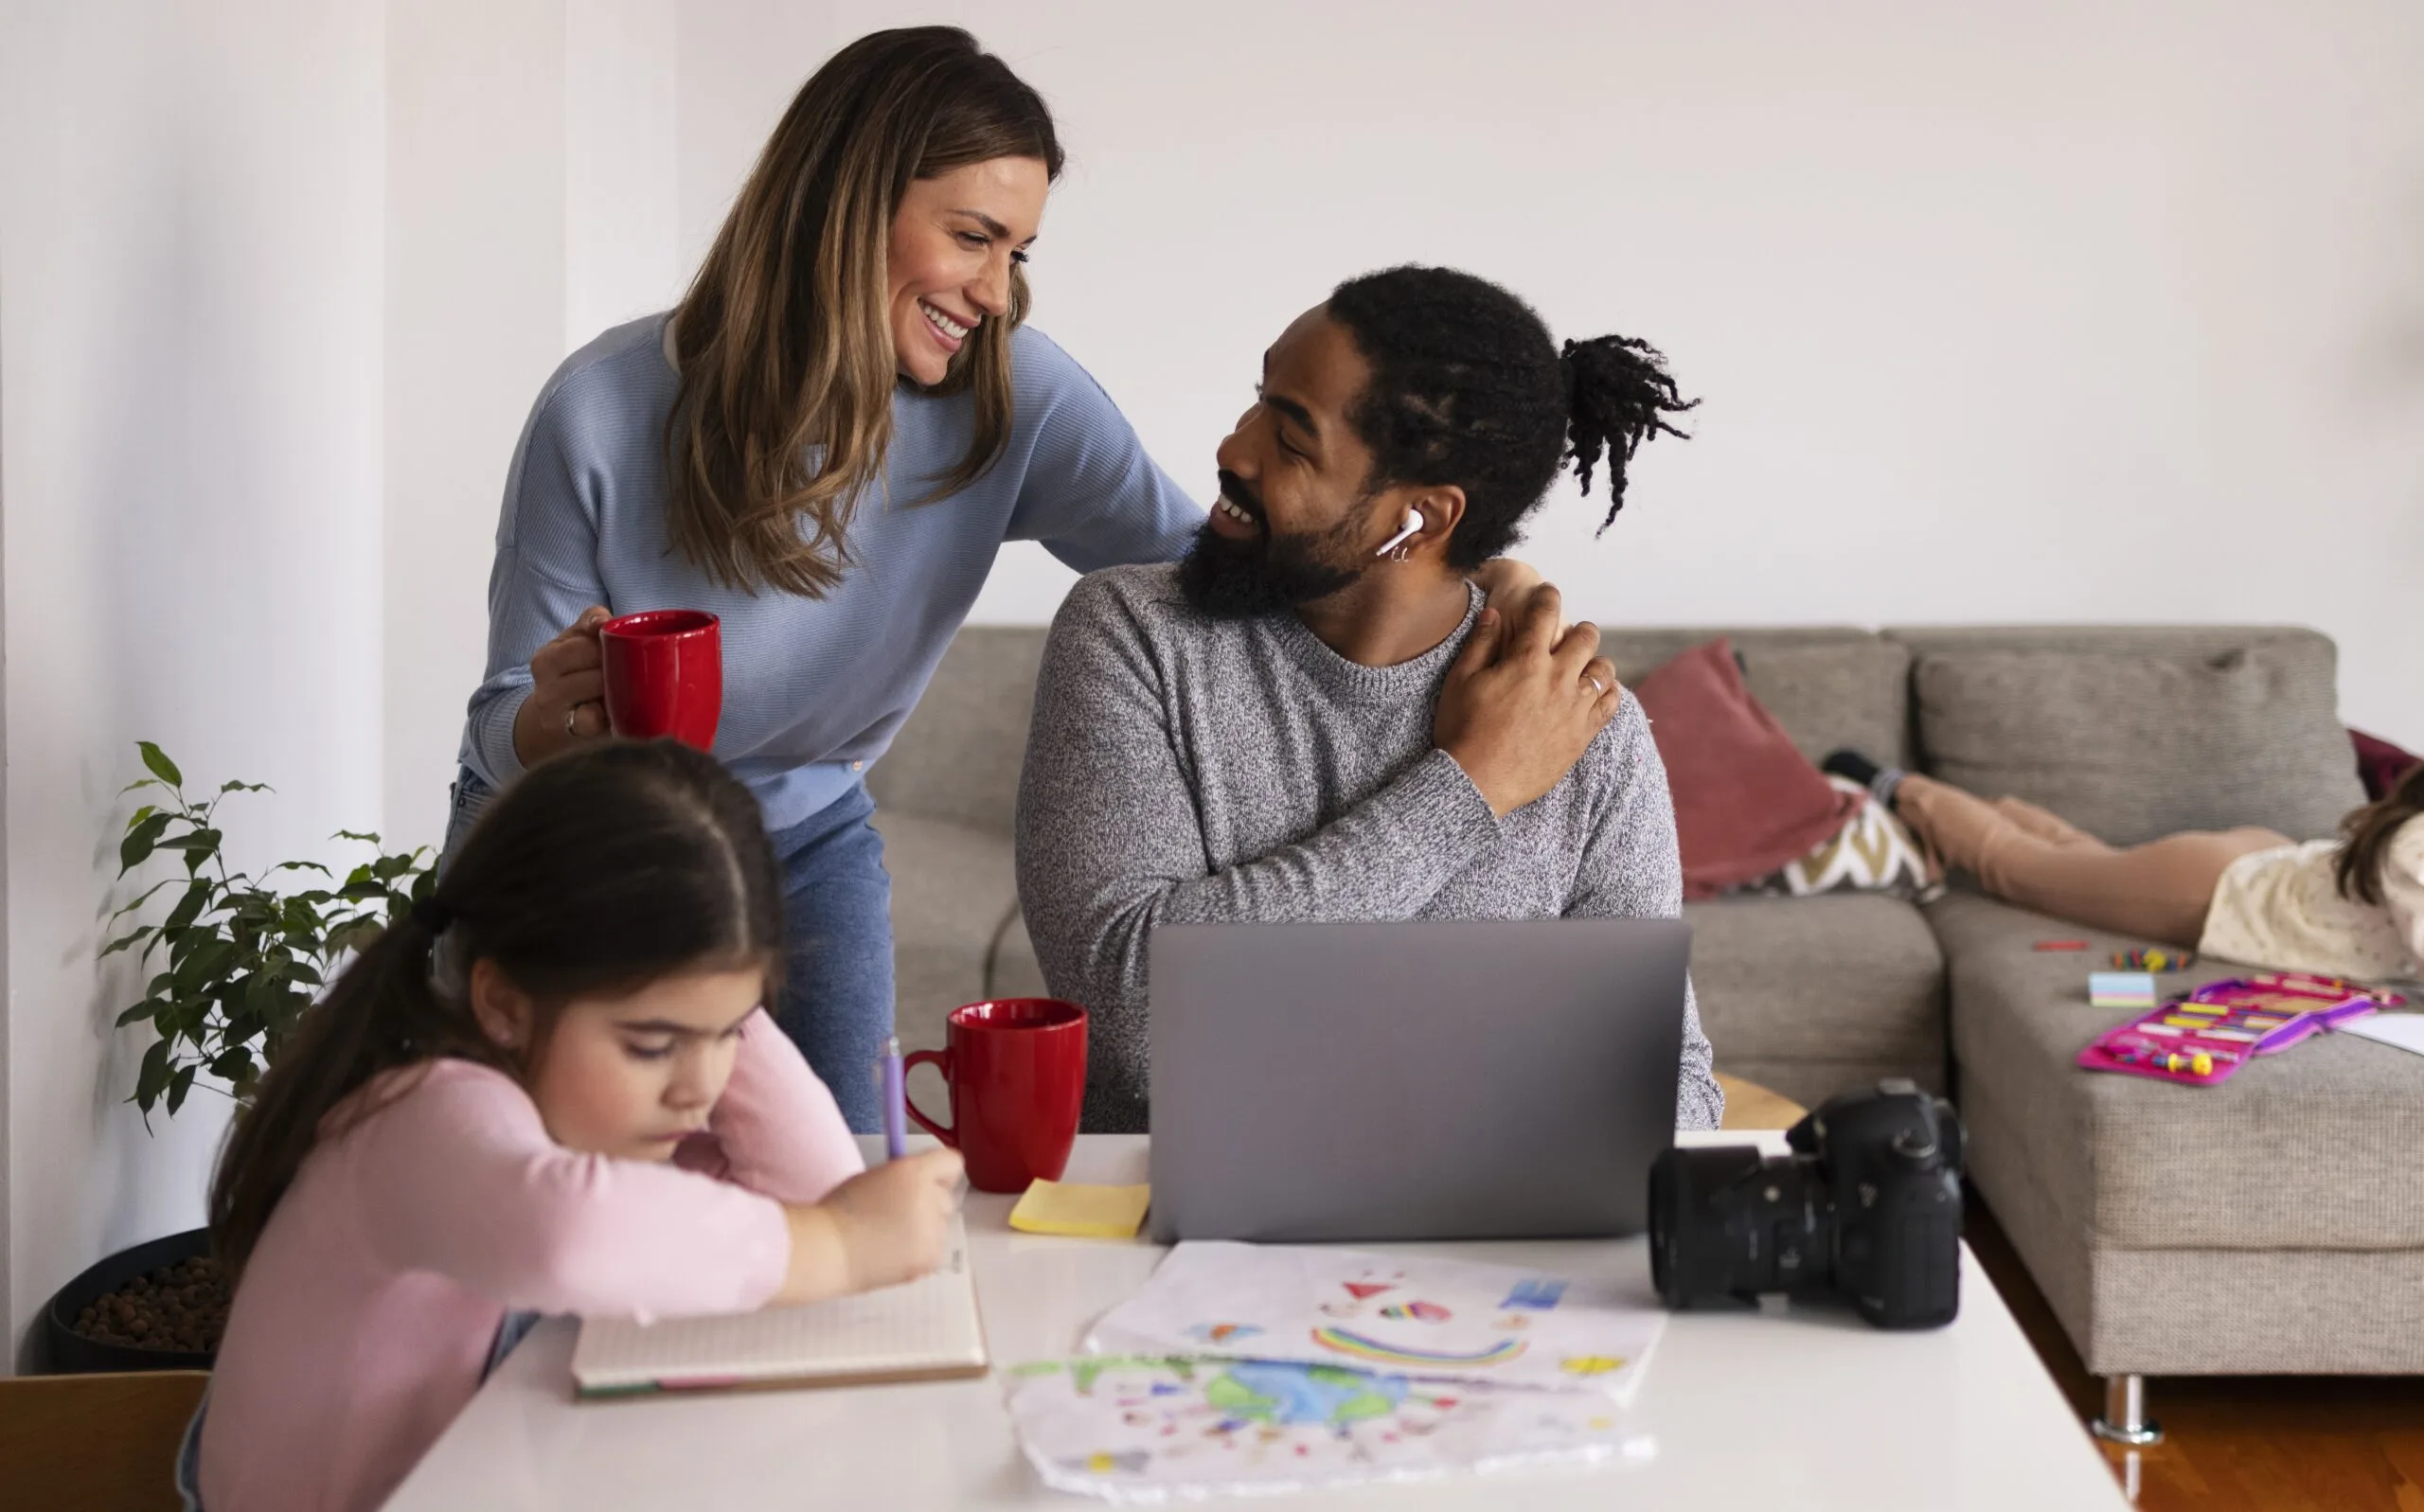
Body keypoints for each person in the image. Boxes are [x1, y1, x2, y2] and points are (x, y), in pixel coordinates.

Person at [450, 27, 1545, 1129]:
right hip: (578, 840)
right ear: (845, 205)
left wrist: (1472, 571)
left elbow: (1221, 557)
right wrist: (548, 725)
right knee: (527, 1208)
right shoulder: (600, 409)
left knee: (842, 1183)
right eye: (972, 237)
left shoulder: (1011, 395)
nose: (993, 291)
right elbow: (499, 728)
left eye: (1016, 252)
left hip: (802, 841)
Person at [1014, 265, 1724, 1133]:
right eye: (1256, 402)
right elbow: (1137, 1024)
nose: (1233, 450)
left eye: (1291, 438)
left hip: (1475, 1237)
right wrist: (1469, 786)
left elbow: (1670, 1087)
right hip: (1171, 1235)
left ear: (1420, 519)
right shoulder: (1134, 635)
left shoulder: (1582, 728)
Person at [189, 741, 964, 1512]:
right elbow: (567, 1235)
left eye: (730, 1035)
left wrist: (710, 999)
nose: (698, 1090)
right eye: (653, 1045)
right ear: (503, 1003)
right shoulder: (427, 1112)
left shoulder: (598, 1114)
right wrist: (838, 1242)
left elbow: (815, 1185)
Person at [1822, 752, 2424, 981]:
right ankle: (1892, 785)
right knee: (2017, 870)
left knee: (2077, 862)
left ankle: (1984, 809)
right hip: (2216, 891)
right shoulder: (2417, 844)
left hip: (2259, 863)